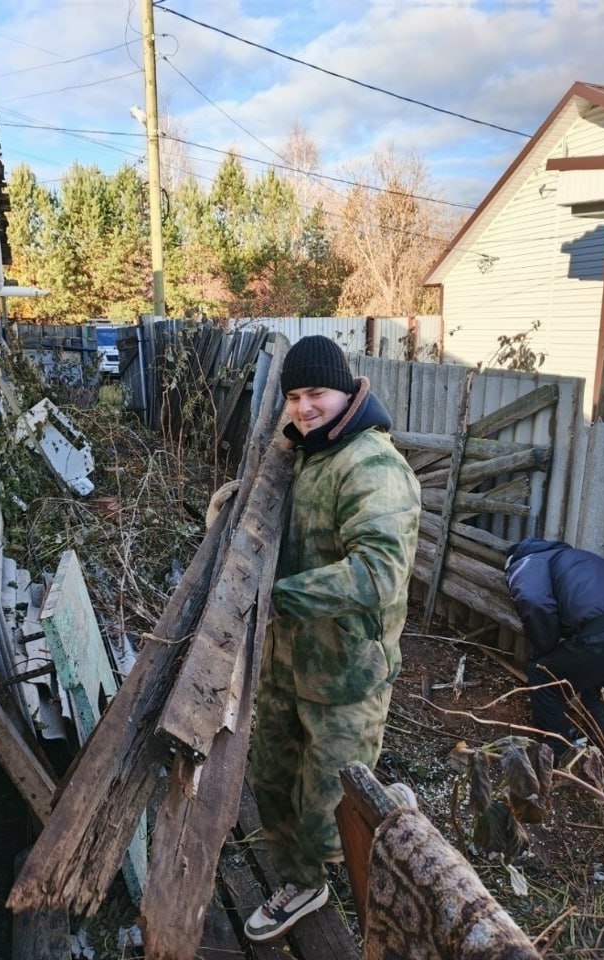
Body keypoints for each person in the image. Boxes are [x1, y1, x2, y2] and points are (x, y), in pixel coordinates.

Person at [239, 335, 421, 943]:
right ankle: (303, 882)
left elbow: (378, 573)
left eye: (315, 392)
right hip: (289, 663)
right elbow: (273, 523)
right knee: (270, 779)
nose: (302, 406)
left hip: (345, 674)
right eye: (293, 395)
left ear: (347, 391)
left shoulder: (372, 465)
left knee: (330, 809)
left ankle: (384, 910)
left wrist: (274, 595)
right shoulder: (304, 454)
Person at [503, 538, 604, 777]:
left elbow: (534, 601)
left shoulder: (527, 562)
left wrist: (545, 650)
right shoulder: (573, 557)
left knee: (543, 676)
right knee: (599, 694)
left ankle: (556, 757)